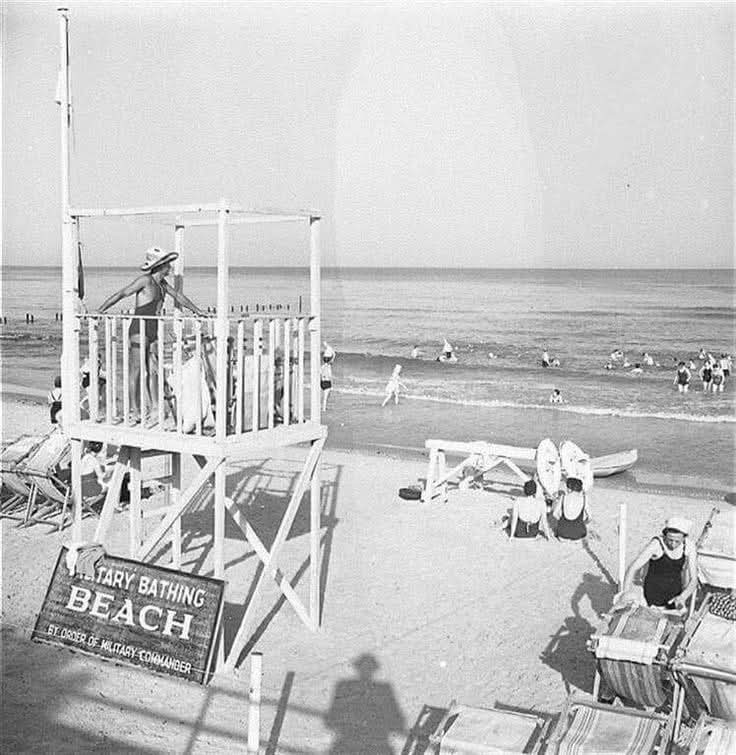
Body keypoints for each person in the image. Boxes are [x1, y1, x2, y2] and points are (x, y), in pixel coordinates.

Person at [98, 247, 204, 423]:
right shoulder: (145, 280)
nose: (170, 267)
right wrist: (101, 310)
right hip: (138, 329)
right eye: (167, 264)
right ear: (160, 266)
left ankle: (155, 407)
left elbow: (179, 297)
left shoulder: (162, 285)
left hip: (153, 330)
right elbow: (122, 293)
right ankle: (135, 410)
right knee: (137, 370)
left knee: (154, 370)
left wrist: (197, 310)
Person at [620, 517, 697, 609]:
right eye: (670, 540)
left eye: (677, 541)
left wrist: (683, 597)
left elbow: (694, 579)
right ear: (665, 536)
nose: (673, 544)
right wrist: (625, 593)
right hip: (652, 595)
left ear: (684, 538)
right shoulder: (656, 544)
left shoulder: (689, 546)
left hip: (675, 595)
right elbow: (633, 568)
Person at [553, 477, 590, 541]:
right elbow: (590, 517)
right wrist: (583, 522)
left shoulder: (563, 497)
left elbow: (555, 514)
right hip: (578, 535)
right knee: (582, 530)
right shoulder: (584, 498)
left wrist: (561, 520)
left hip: (562, 534)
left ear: (569, 488)